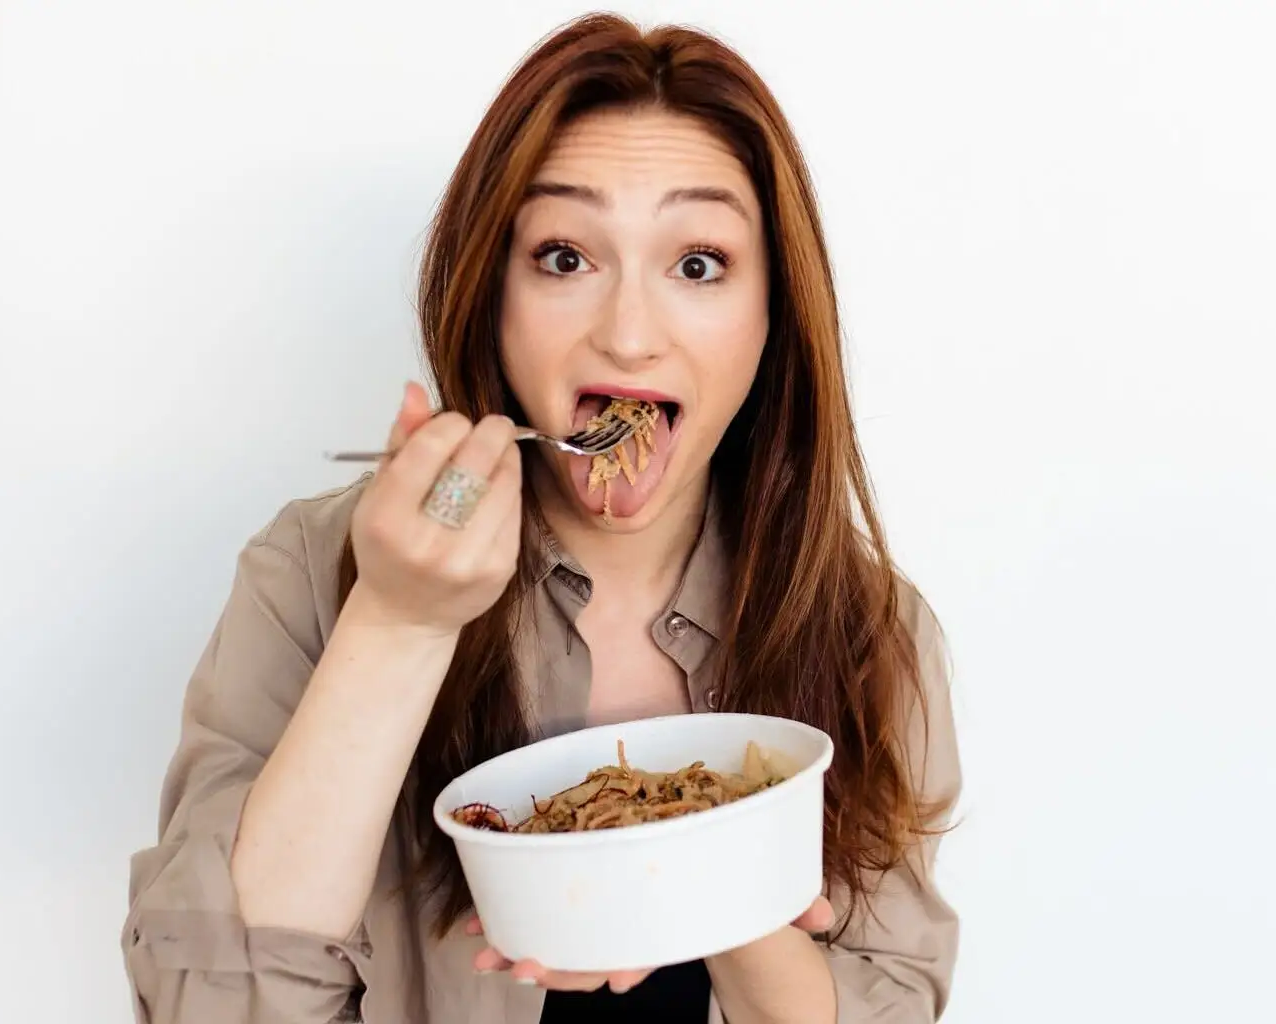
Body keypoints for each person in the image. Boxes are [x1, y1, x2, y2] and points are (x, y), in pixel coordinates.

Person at [121, 13, 961, 1024]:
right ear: (491, 295)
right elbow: (210, 1008)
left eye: (698, 264)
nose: (630, 333)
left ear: (774, 317)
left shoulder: (865, 627)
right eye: (565, 255)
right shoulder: (312, 571)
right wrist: (400, 622)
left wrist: (690, 875)